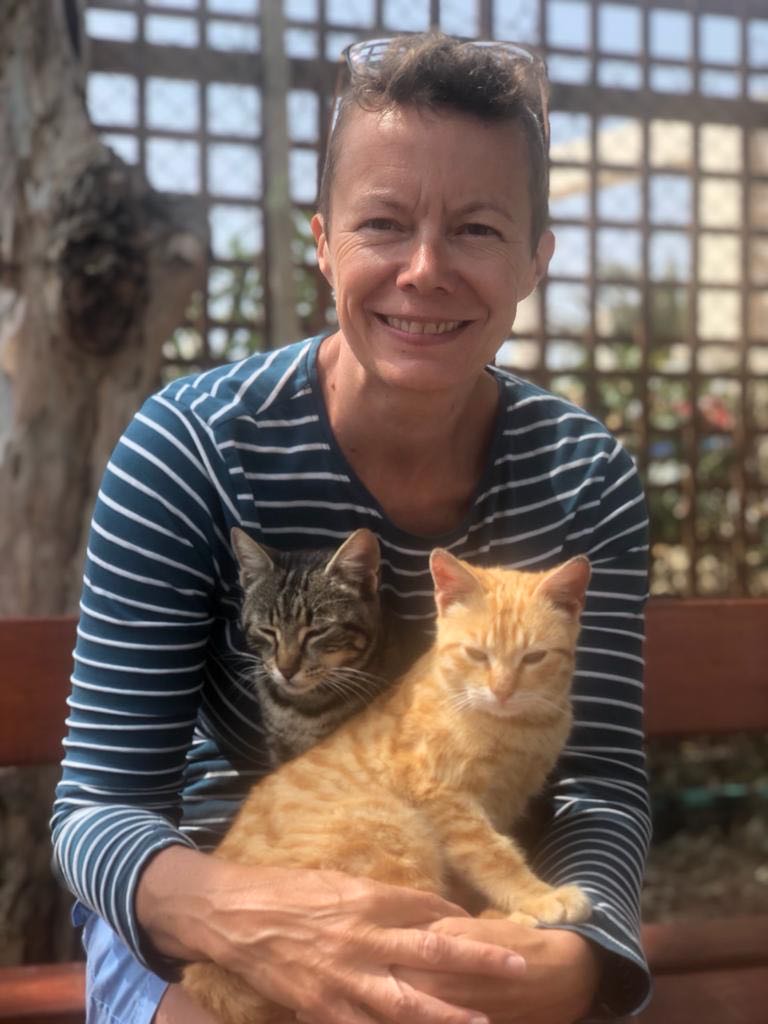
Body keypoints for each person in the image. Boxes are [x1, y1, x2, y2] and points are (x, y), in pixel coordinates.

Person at [51, 32, 652, 1024]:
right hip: (202, 898)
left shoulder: (584, 477)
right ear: (324, 242)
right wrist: (250, 922)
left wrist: (584, 959)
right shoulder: (189, 447)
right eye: (383, 223)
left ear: (536, 258)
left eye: (477, 229)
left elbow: (599, 783)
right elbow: (98, 808)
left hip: (465, 892)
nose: (425, 270)